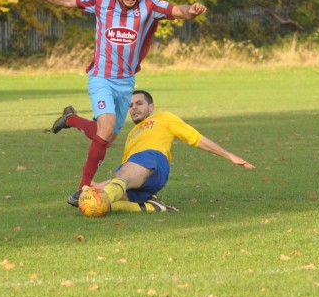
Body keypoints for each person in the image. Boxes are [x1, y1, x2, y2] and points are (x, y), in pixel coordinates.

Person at [23, 0, 207, 206]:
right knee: (106, 128)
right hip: (101, 77)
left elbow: (178, 10)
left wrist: (192, 10)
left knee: (106, 137)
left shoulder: (149, 5)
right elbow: (69, 0)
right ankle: (82, 189)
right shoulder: (102, 0)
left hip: (126, 82)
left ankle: (71, 119)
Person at [78, 90, 255, 213]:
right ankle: (152, 206)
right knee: (87, 198)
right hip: (136, 173)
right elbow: (126, 174)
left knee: (102, 197)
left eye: (139, 103)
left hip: (153, 160)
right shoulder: (131, 133)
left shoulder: (164, 118)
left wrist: (228, 155)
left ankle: (110, 199)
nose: (134, 108)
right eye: (131, 105)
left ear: (151, 107)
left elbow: (195, 137)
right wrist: (96, 185)